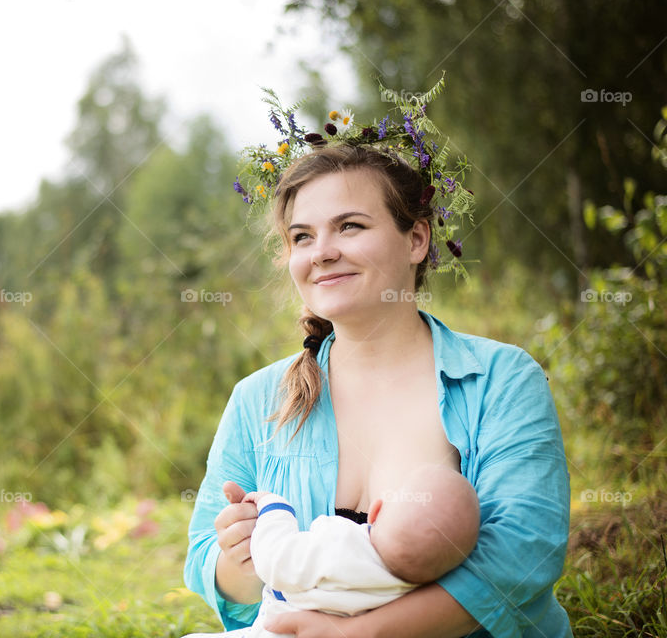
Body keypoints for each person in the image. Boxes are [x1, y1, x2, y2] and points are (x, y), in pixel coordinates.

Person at [183, 115, 573, 636]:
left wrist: (356, 635)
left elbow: (523, 552)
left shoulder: (501, 379)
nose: (322, 251)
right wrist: (238, 559)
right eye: (302, 236)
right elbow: (208, 567)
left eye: (350, 226)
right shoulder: (258, 399)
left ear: (415, 239)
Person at [182, 464, 481, 638]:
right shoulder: (415, 589)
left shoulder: (345, 546)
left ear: (374, 511)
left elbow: (278, 559)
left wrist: (274, 507)